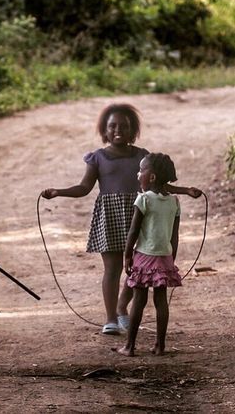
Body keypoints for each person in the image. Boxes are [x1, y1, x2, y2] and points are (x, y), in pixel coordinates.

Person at [41, 103, 201, 335]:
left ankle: (121, 309)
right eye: (112, 126)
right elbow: (84, 187)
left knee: (136, 268)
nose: (118, 130)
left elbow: (160, 184)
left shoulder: (142, 156)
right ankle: (111, 319)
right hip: (110, 218)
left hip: (140, 216)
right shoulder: (97, 158)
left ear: (133, 130)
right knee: (112, 269)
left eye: (124, 126)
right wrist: (58, 192)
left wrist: (186, 191)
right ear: (104, 131)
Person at [117, 153, 182, 356]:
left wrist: (127, 256)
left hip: (144, 255)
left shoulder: (144, 199)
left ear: (152, 177)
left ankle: (129, 346)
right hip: (165, 256)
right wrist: (172, 258)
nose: (138, 175)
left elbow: (133, 231)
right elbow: (175, 235)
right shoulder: (174, 202)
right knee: (161, 301)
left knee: (139, 299)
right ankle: (160, 346)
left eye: (141, 170)